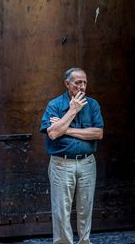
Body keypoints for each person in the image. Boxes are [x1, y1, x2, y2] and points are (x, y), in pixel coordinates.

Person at [40, 67, 104, 244]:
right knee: (61, 209)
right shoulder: (54, 105)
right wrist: (72, 111)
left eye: (84, 82)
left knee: (85, 207)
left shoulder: (93, 105)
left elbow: (98, 133)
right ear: (67, 84)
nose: (82, 86)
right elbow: (52, 134)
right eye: (78, 83)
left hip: (87, 163)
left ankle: (85, 241)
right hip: (62, 164)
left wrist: (65, 129)